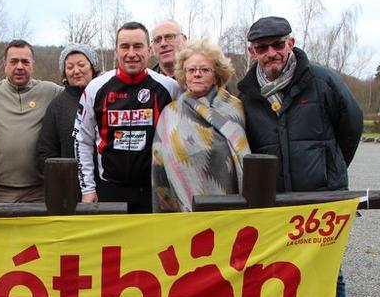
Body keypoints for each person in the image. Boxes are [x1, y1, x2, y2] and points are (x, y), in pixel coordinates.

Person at [237, 16, 363, 297]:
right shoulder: (248, 92)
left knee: (328, 271)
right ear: (252, 52)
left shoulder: (322, 81)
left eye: (278, 45)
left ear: (291, 43)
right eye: (263, 48)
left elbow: (351, 126)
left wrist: (330, 168)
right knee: (277, 271)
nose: (271, 53)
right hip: (274, 199)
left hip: (321, 195)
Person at [75, 21, 180, 213]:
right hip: (108, 189)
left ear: (149, 50)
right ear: (116, 51)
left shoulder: (170, 88)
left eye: (138, 46)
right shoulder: (96, 88)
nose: (131, 53)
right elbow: (82, 140)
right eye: (125, 47)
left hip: (155, 189)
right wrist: (88, 188)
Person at [152, 40, 250, 212]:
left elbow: (244, 158)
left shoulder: (234, 108)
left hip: (228, 205)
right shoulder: (170, 114)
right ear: (184, 75)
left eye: (205, 70)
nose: (197, 74)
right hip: (183, 209)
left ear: (216, 75)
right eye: (191, 70)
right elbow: (159, 163)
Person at [0, 39, 62, 203]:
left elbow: (80, 95)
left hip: (39, 191)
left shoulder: (51, 91)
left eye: (25, 61)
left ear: (32, 65)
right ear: (5, 65)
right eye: (14, 61)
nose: (19, 66)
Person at [36, 43, 100, 173]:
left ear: (92, 67)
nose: (76, 71)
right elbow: (45, 153)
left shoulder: (108, 97)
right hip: (70, 186)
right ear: (64, 73)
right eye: (70, 67)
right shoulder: (57, 106)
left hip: (108, 185)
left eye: (81, 65)